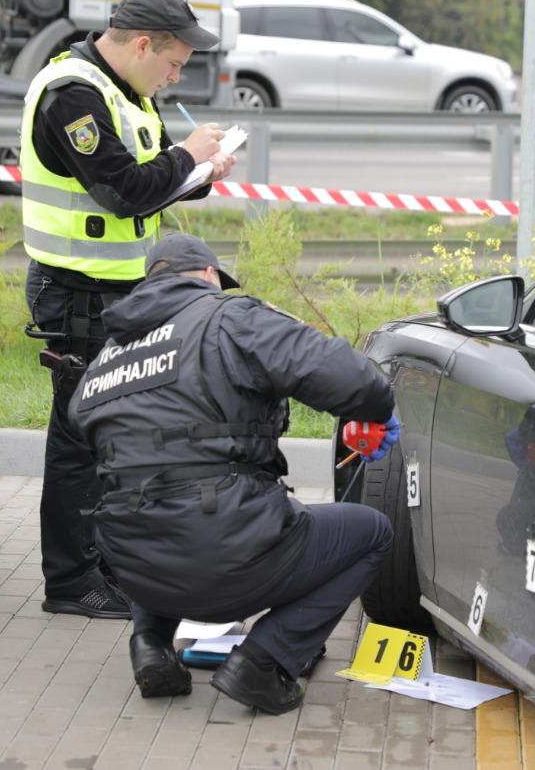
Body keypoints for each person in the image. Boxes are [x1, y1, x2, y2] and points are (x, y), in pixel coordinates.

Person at [68, 234, 400, 714]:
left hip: (135, 572)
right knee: (371, 534)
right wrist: (375, 408)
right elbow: (349, 377)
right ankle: (263, 664)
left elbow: (82, 431)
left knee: (148, 493)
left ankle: (150, 645)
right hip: (229, 563)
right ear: (208, 275)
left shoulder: (105, 359)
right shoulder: (228, 318)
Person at [20, 0, 236, 631]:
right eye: (176, 63)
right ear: (144, 44)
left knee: (117, 433)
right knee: (80, 439)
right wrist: (187, 155)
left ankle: (105, 563)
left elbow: (150, 183)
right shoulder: (74, 96)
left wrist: (198, 175)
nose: (179, 75)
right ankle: (71, 580)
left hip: (120, 290)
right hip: (77, 293)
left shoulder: (126, 90)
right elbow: (121, 190)